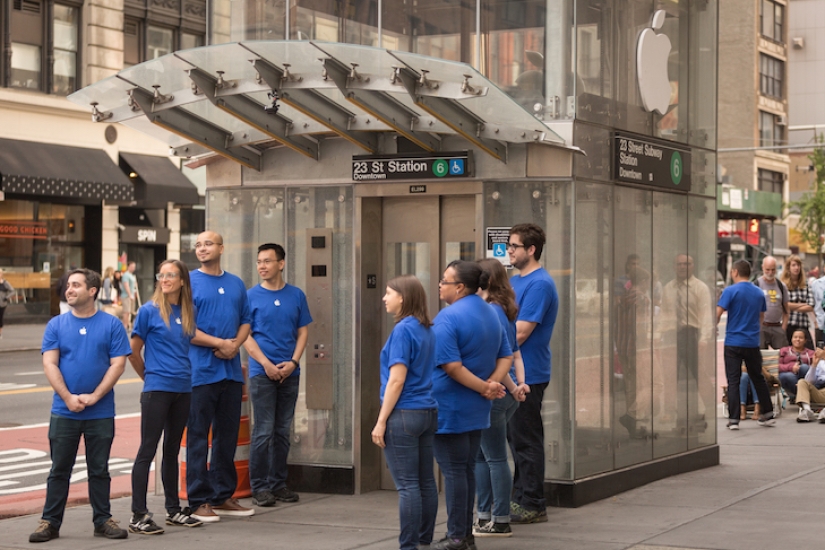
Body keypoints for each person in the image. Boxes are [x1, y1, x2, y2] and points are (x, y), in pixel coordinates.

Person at [29, 268, 131, 543]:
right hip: (64, 411)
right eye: (68, 285)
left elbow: (118, 365)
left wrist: (96, 396)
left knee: (99, 469)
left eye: (76, 285)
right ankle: (49, 522)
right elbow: (50, 363)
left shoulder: (111, 325)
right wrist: (67, 397)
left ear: (92, 291)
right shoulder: (56, 325)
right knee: (59, 469)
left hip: (101, 411)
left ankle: (102, 520)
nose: (69, 290)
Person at [431, 260, 512, 550]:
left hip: (450, 406)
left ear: (460, 287)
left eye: (445, 281)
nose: (440, 285)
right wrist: (491, 384)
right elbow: (507, 356)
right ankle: (464, 534)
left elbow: (452, 367)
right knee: (465, 469)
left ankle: (457, 536)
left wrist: (485, 386)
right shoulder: (491, 312)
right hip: (478, 406)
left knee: (454, 472)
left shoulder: (447, 318)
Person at [128, 260, 202, 535]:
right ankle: (138, 514)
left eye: (171, 275)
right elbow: (133, 351)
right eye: (162, 275)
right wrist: (149, 376)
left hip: (184, 389)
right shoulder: (149, 311)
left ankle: (174, 511)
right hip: (157, 389)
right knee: (147, 450)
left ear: (182, 280)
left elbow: (185, 347)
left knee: (172, 450)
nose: (165, 279)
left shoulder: (188, 311)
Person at [186, 231, 252, 523]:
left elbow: (246, 321)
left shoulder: (236, 283)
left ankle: (222, 495)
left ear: (222, 248)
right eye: (198, 245)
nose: (202, 248)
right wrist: (220, 344)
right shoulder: (187, 282)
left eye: (208, 243)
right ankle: (198, 500)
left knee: (227, 438)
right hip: (200, 373)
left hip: (231, 373)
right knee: (199, 438)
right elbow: (186, 327)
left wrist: (235, 345)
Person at [371, 275, 438, 550]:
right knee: (425, 481)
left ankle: (408, 545)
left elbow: (397, 379)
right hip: (427, 411)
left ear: (403, 297)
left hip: (403, 413)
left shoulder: (402, 331)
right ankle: (424, 540)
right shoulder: (426, 329)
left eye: (389, 293)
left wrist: (381, 420)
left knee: (408, 486)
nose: (384, 298)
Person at [244, 243, 312, 507]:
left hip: (290, 373)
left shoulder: (296, 295)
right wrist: (266, 364)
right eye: (259, 261)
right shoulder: (250, 296)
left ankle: (278, 483)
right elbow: (245, 336)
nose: (262, 266)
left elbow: (303, 331)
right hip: (262, 373)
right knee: (263, 431)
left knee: (283, 431)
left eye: (267, 261)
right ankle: (259, 487)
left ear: (281, 264)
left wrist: (293, 362)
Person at [506, 223, 558, 524]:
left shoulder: (539, 284)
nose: (509, 251)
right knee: (515, 440)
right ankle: (520, 498)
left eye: (514, 246)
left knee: (526, 440)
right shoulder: (517, 281)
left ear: (531, 249)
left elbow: (521, 332)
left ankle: (534, 503)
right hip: (512, 372)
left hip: (529, 374)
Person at [473, 259, 528, 539]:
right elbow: (515, 354)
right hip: (506, 394)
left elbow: (501, 357)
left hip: (495, 394)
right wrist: (520, 384)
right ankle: (485, 516)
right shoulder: (505, 311)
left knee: (493, 457)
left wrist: (509, 385)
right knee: (485, 457)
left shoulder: (490, 313)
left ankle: (499, 519)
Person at [717, 260, 776, 429]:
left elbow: (719, 312)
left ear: (735, 272)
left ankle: (734, 419)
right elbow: (761, 317)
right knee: (757, 377)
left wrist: (712, 327)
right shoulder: (758, 292)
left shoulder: (729, 291)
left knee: (733, 380)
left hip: (733, 342)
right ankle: (768, 414)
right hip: (752, 342)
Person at [660, 254, 713, 427]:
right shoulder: (668, 288)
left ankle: (710, 407)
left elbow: (706, 315)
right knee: (670, 374)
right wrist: (657, 336)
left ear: (692, 266)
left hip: (692, 334)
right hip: (672, 335)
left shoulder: (700, 288)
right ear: (674, 267)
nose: (683, 267)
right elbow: (664, 314)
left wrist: (704, 339)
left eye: (687, 264)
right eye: (679, 264)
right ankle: (669, 410)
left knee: (699, 373)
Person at [779, 254, 814, 348]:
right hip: (789, 324)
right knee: (788, 354)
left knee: (810, 352)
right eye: (793, 265)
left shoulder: (806, 284)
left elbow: (810, 306)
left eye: (798, 265)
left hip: (803, 324)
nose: (796, 268)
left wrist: (791, 306)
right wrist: (803, 304)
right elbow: (783, 304)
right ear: (788, 267)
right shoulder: (783, 285)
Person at [755, 256, 789, 350]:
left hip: (777, 326)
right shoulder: (756, 285)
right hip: (761, 327)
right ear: (762, 268)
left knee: (782, 356)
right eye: (767, 270)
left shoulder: (781, 286)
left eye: (773, 270)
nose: (770, 272)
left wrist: (783, 327)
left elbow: (786, 309)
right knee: (761, 357)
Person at [777, 328, 814, 404]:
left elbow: (814, 369)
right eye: (795, 337)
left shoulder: (811, 353)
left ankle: (801, 394)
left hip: (804, 378)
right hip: (788, 375)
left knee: (805, 367)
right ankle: (799, 395)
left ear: (805, 340)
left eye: (801, 338)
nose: (798, 339)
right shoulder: (784, 350)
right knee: (788, 376)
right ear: (791, 339)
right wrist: (791, 367)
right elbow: (777, 366)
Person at [795, 347, 825, 422]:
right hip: (819, 392)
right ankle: (807, 411)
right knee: (802, 382)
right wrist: (814, 365)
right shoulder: (820, 363)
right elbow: (809, 381)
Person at [121, 262, 138, 330]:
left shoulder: (132, 275)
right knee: (126, 311)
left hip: (132, 295)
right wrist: (130, 294)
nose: (133, 268)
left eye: (134, 267)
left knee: (131, 311)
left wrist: (134, 293)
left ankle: (129, 325)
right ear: (128, 266)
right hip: (126, 296)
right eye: (132, 266)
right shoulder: (126, 275)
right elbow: (126, 285)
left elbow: (133, 286)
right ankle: (124, 327)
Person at [0, 268, 13, 338]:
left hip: (2, 303)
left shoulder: (5, 283)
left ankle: (0, 333)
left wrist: (6, 297)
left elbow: (12, 291)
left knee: (0, 318)